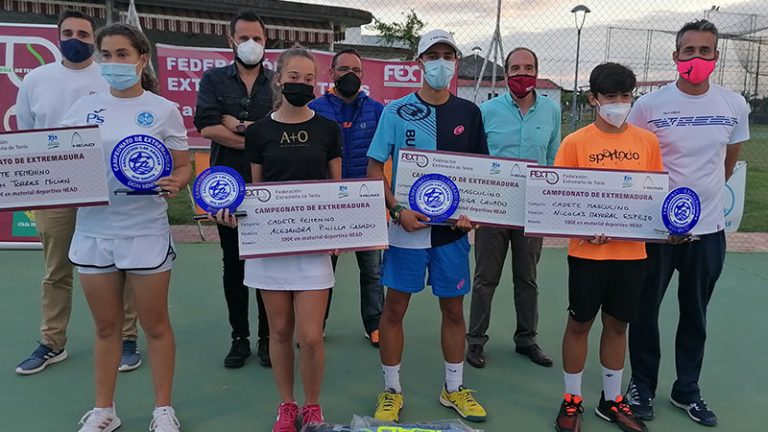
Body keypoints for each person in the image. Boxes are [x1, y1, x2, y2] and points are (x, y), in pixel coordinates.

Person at [60, 23, 192, 432]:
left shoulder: (164, 109)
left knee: (154, 325)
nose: (114, 62)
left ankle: (163, 410)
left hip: (145, 230)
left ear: (141, 59)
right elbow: (62, 161)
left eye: (123, 54)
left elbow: (183, 164)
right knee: (105, 327)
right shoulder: (82, 108)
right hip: (94, 231)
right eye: (107, 55)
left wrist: (178, 180)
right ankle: (104, 410)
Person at [626, 19, 750, 427]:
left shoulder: (734, 105)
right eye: (689, 51)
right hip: (656, 234)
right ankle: (641, 385)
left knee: (695, 312)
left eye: (705, 51)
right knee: (645, 311)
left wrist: (700, 206)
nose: (696, 58)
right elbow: (640, 163)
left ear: (715, 57)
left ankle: (687, 390)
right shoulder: (648, 107)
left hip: (708, 231)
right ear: (676, 56)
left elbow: (728, 164)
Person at [215, 47, 341, 432]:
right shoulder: (259, 132)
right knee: (281, 332)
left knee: (311, 336)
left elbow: (336, 190)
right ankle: (287, 405)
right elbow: (257, 191)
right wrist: (236, 215)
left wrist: (341, 230)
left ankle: (313, 406)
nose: (300, 84)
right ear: (279, 79)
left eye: (308, 79)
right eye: (294, 77)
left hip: (314, 247)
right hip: (271, 248)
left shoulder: (327, 129)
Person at [367, 29, 488, 423]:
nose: (441, 62)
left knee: (453, 309)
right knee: (395, 309)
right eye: (432, 55)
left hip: (451, 233)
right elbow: (373, 170)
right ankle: (391, 390)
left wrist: (472, 211)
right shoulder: (396, 111)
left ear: (456, 61)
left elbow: (479, 176)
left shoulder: (469, 113)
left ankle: (453, 388)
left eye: (447, 55)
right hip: (407, 228)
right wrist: (397, 209)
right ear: (419, 63)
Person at [14, 9, 142, 375]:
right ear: (58, 36)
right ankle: (52, 342)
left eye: (84, 35)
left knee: (121, 266)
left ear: (95, 40)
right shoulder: (36, 80)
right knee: (56, 270)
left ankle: (127, 338)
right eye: (68, 32)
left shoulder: (109, 79)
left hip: (107, 188)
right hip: (56, 190)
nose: (76, 39)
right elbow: (29, 133)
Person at [553, 63, 661, 432]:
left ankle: (611, 400)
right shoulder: (575, 143)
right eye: (610, 96)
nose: (618, 103)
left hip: (631, 254)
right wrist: (584, 227)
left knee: (618, 325)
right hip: (587, 254)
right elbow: (560, 200)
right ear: (593, 99)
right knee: (579, 323)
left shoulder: (646, 142)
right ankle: (572, 400)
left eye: (625, 96)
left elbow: (652, 197)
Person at [466, 47, 560, 369]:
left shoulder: (551, 110)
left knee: (528, 278)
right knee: (485, 278)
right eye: (516, 68)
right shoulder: (487, 110)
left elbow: (551, 156)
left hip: (531, 209)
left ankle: (527, 340)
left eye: (528, 67)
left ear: (537, 70)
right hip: (493, 210)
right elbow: (476, 159)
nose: (522, 74)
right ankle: (476, 341)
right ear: (506, 74)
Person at [194, 9, 273, 369]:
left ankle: (269, 339)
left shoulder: (276, 83)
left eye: (256, 38)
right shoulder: (213, 80)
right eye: (243, 38)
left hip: (269, 187)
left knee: (268, 265)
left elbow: (278, 133)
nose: (250, 44)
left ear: (265, 40)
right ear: (231, 41)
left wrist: (238, 125)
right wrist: (256, 134)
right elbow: (208, 127)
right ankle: (239, 338)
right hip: (225, 187)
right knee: (234, 264)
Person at [308, 48, 385, 346]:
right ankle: (317, 324)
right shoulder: (315, 108)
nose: (349, 75)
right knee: (323, 271)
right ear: (331, 74)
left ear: (363, 76)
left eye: (356, 70)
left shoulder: (377, 110)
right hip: (327, 204)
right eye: (343, 69)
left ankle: (374, 324)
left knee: (372, 270)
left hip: (366, 203)